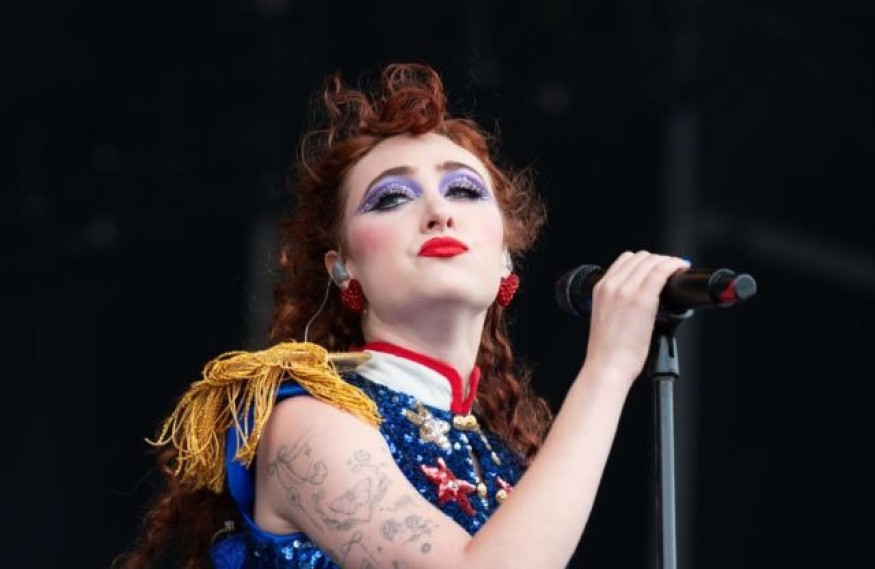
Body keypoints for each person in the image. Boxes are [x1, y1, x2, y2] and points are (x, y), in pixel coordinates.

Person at [116, 62, 690, 569]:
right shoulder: (305, 423)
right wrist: (608, 367)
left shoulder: (501, 455)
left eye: (464, 191)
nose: (439, 211)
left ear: (505, 257)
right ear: (344, 268)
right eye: (391, 197)